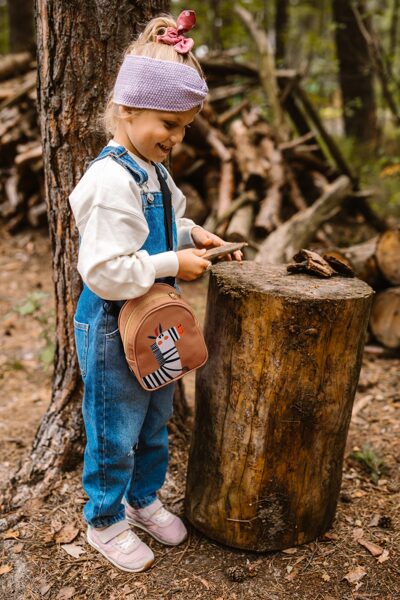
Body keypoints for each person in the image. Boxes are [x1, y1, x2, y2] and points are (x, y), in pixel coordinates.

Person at [69, 10, 241, 573]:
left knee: (155, 418)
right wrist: (172, 261)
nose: (176, 137)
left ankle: (142, 501)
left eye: (185, 126)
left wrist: (193, 234)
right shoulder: (109, 181)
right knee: (114, 428)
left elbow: (165, 224)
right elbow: (103, 270)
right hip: (112, 325)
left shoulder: (154, 172)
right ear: (127, 109)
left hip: (155, 320)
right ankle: (104, 519)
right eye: (168, 123)